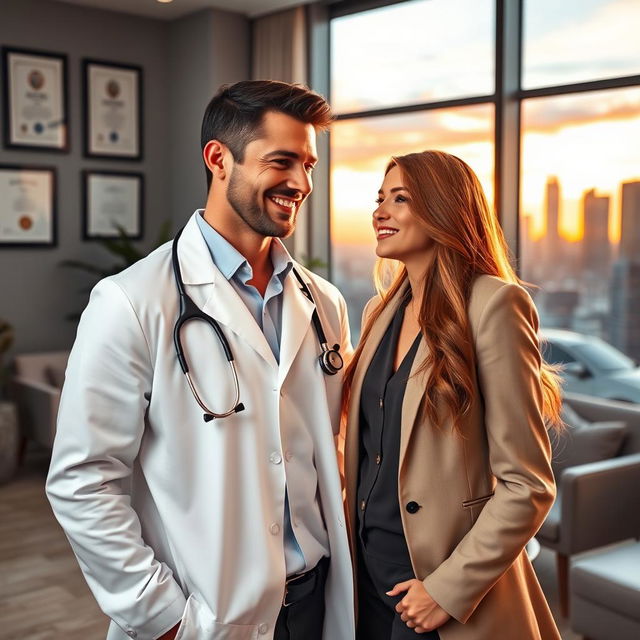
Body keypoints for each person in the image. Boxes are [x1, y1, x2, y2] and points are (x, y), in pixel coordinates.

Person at [46, 80, 355, 640]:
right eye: (282, 161)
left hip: (316, 602)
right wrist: (163, 618)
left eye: (309, 164)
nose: (302, 183)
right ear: (219, 159)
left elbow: (329, 449)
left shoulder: (323, 303)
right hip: (205, 615)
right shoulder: (132, 301)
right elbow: (83, 481)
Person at [341, 150, 563, 640]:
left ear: (442, 209)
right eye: (380, 198)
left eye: (400, 199)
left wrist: (445, 589)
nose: (380, 211)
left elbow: (527, 485)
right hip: (368, 583)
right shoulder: (379, 314)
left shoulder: (494, 304)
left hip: (438, 591)